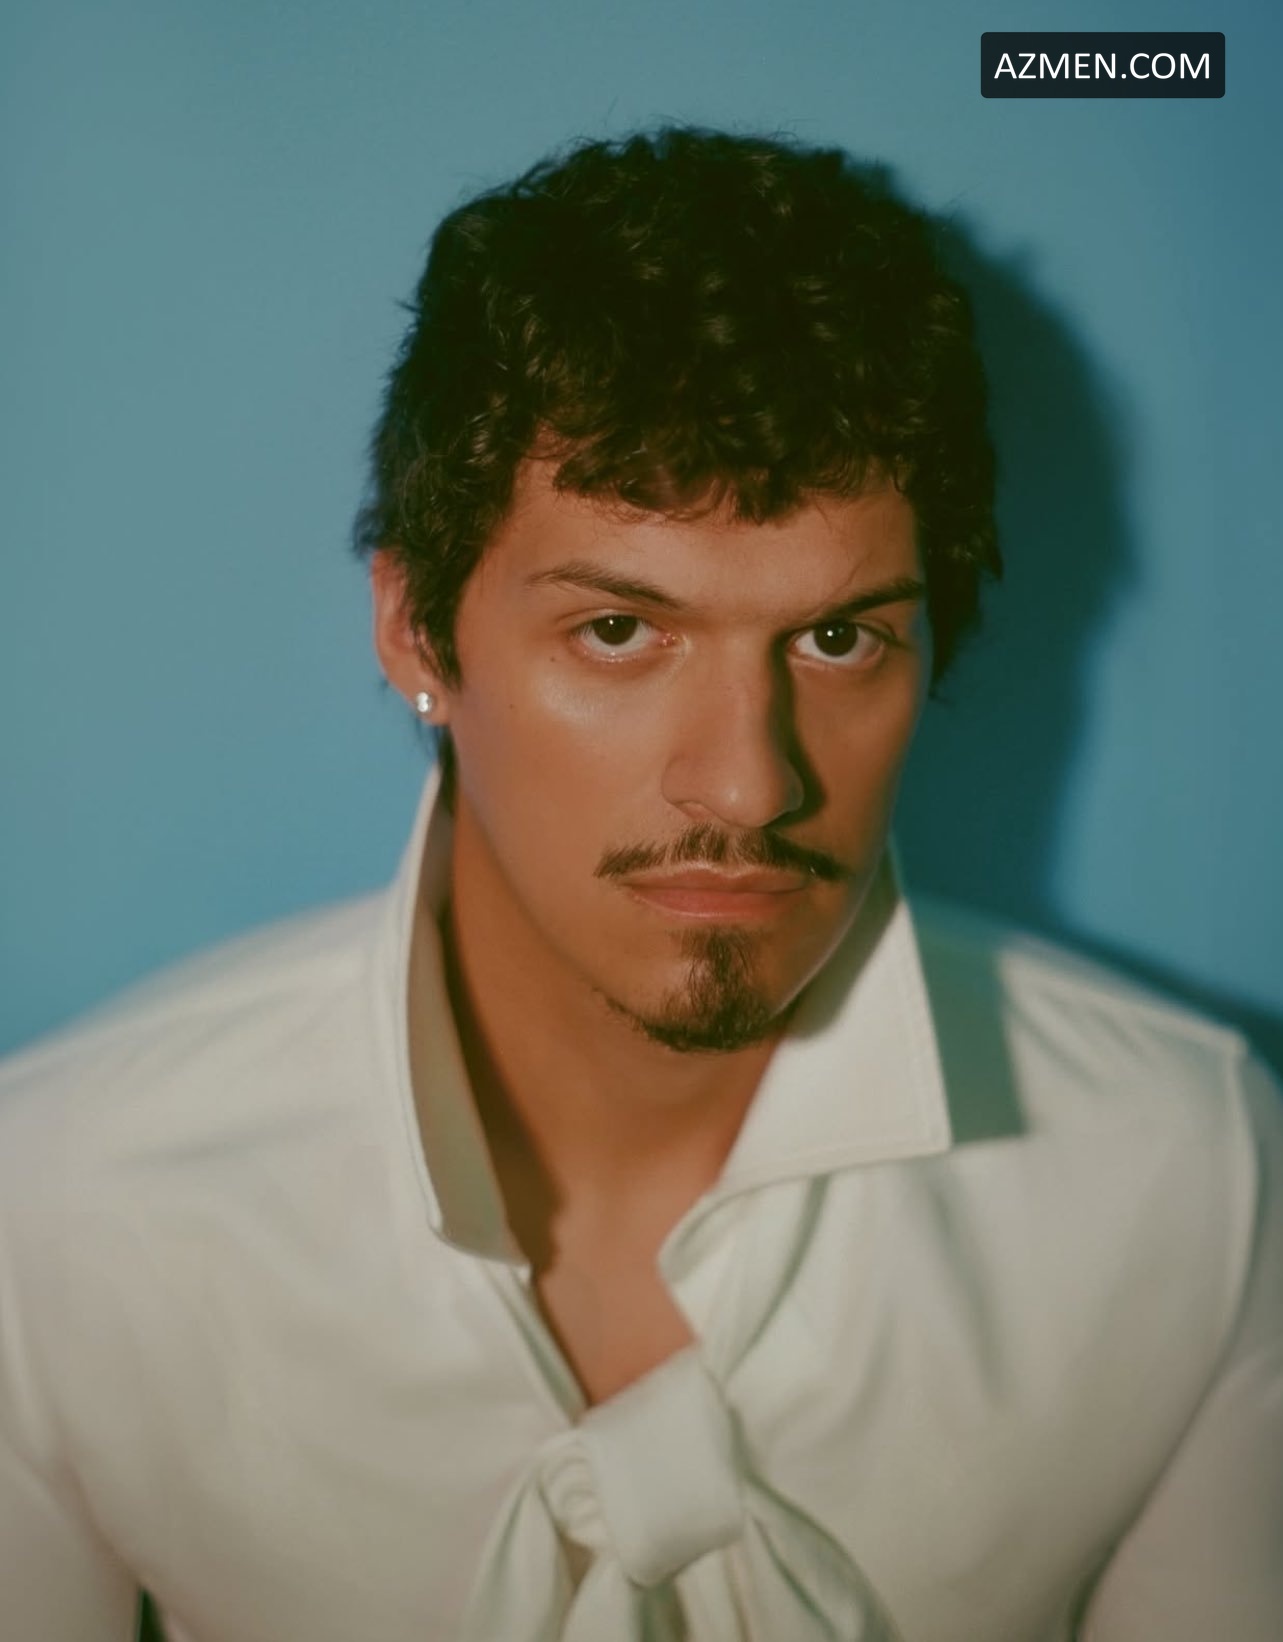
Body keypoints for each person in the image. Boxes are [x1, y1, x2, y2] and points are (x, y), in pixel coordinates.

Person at [0, 127, 1279, 1642]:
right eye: (619, 631)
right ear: (417, 634)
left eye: (839, 639)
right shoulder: (65, 1214)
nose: (746, 785)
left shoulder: (1187, 1179)